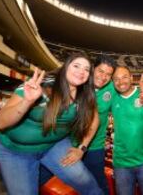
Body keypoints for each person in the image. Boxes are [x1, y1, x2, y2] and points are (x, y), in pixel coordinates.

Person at [0, 53, 103, 195]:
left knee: (84, 180)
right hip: (16, 152)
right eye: (76, 66)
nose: (81, 72)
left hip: (54, 145)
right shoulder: (41, 85)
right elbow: (0, 124)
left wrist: (82, 148)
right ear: (65, 67)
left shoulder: (86, 95)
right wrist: (27, 102)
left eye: (86, 69)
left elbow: (95, 120)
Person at [39, 54, 116, 194]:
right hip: (64, 143)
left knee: (97, 184)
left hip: (94, 147)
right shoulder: (77, 82)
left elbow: (96, 119)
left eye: (108, 74)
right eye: (101, 71)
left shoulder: (112, 88)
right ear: (92, 69)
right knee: (40, 178)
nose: (104, 77)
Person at [111, 66, 143, 195]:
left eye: (124, 77)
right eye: (116, 79)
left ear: (132, 78)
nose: (121, 82)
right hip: (121, 164)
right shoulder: (112, 97)